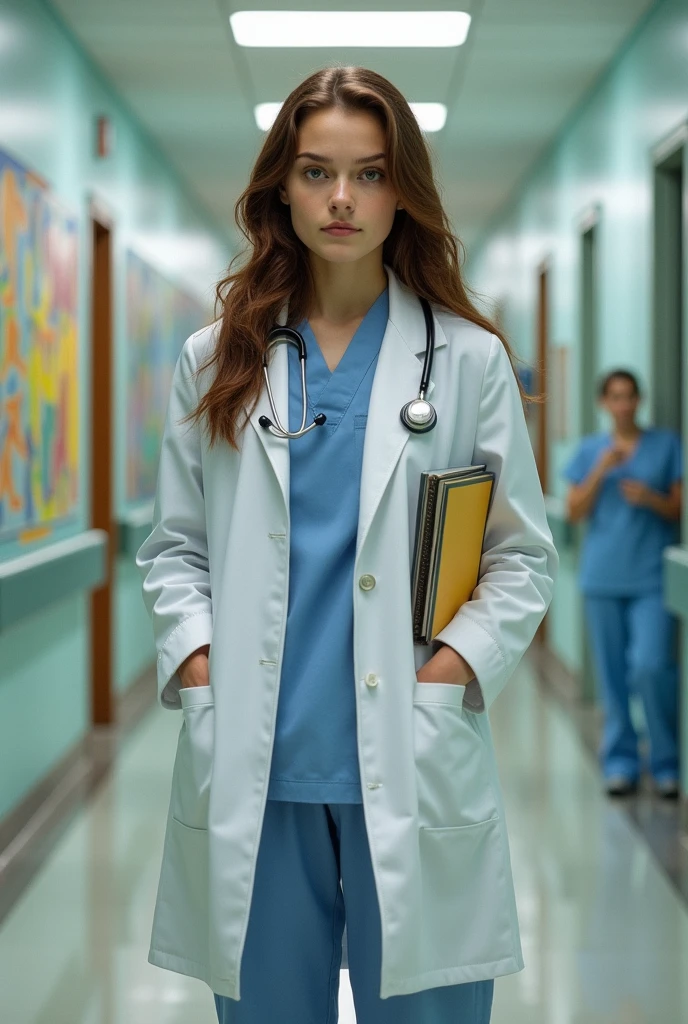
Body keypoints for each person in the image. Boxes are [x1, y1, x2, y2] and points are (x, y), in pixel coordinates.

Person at [136, 66, 558, 1024]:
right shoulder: (217, 359)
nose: (340, 199)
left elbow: (521, 557)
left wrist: (452, 669)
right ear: (279, 186)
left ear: (401, 188)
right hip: (260, 761)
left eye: (368, 174)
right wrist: (200, 668)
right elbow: (174, 548)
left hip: (410, 754)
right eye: (316, 171)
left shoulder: (466, 359)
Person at [563, 369, 682, 799]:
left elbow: (677, 509)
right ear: (603, 403)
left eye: (630, 396)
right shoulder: (592, 450)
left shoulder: (666, 444)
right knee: (612, 677)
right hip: (602, 578)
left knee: (651, 667)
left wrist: (648, 498)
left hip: (651, 579)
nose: (623, 404)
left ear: (639, 400)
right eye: (614, 397)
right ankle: (621, 763)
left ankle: (667, 762)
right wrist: (602, 470)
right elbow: (574, 510)